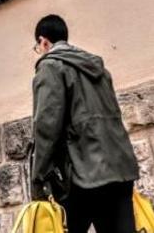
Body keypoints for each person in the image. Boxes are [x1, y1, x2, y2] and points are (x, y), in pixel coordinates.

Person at [30, 14, 140, 233]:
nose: (39, 51)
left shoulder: (51, 67)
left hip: (84, 175)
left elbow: (46, 126)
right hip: (120, 170)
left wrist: (38, 177)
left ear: (44, 42)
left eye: (37, 46)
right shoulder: (97, 68)